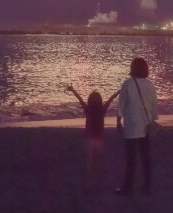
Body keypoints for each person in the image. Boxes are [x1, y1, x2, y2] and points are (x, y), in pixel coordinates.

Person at [115, 57, 158, 195]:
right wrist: (153, 119)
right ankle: (147, 185)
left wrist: (118, 120)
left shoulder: (128, 84)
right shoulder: (150, 85)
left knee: (131, 158)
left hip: (132, 125)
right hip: (145, 124)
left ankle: (128, 187)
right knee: (145, 156)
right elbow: (153, 106)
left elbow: (122, 104)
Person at [67, 84, 120, 191]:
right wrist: (118, 92)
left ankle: (87, 186)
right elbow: (110, 99)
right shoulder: (102, 109)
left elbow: (80, 99)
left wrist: (73, 90)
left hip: (89, 139)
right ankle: (99, 185)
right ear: (100, 100)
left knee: (89, 164)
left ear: (90, 100)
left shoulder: (88, 109)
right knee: (98, 163)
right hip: (99, 139)